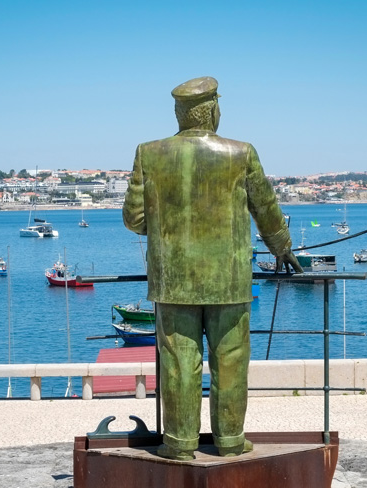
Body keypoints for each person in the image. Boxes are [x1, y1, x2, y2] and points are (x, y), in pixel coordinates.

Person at [123, 76, 301, 460]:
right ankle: (231, 441)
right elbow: (266, 210)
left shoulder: (148, 153)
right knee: (231, 362)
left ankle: (180, 443)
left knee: (178, 365)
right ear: (213, 110)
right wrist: (282, 248)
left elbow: (134, 220)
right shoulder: (242, 153)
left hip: (173, 284)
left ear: (180, 113)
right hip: (230, 283)